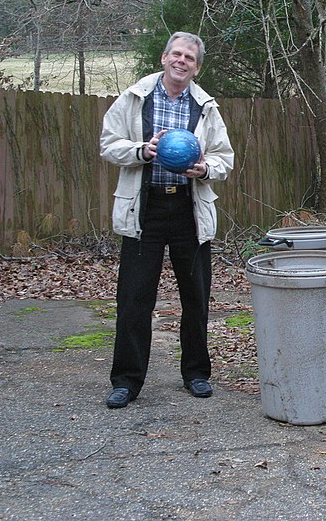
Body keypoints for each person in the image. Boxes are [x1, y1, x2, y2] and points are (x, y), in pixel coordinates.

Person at [100, 31, 234, 409]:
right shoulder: (133, 99)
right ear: (163, 58)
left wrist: (205, 168)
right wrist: (142, 150)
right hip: (145, 211)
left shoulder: (205, 107)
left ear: (197, 67)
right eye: (176, 54)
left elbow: (225, 158)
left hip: (189, 211)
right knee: (134, 299)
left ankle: (196, 374)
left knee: (197, 297)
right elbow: (109, 144)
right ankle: (126, 381)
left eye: (189, 58)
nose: (181, 61)